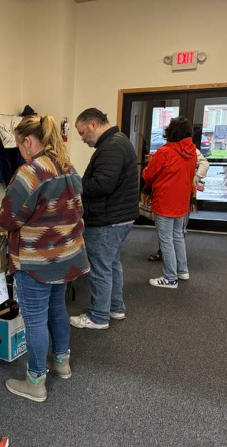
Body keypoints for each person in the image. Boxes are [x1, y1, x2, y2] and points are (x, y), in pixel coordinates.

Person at [0, 115, 89, 402]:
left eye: (19, 145)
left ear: (28, 142)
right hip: (65, 256)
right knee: (58, 310)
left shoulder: (30, 172)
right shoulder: (68, 167)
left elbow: (9, 219)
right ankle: (61, 363)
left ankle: (35, 382)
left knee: (34, 320)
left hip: (36, 261)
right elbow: (75, 209)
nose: (20, 151)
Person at [70, 108, 139, 330]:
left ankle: (98, 317)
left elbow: (102, 184)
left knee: (100, 267)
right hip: (119, 217)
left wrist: (74, 186)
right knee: (111, 265)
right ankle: (115, 308)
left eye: (82, 132)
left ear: (92, 124)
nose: (82, 139)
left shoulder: (112, 146)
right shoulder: (117, 142)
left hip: (108, 219)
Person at [142, 116, 197, 288]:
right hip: (182, 201)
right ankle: (182, 270)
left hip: (165, 200)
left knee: (165, 239)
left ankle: (170, 278)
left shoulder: (165, 152)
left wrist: (148, 164)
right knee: (178, 236)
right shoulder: (192, 152)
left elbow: (148, 175)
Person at [147, 148, 209, 261]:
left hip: (184, 194)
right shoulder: (167, 149)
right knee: (167, 230)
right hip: (170, 193)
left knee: (179, 230)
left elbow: (204, 164)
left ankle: (174, 257)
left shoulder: (190, 150)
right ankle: (165, 253)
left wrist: (195, 178)